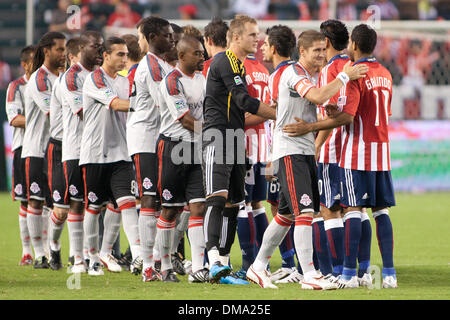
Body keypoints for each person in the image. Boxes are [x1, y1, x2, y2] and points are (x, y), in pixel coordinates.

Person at [246, 29, 368, 289]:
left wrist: (325, 108)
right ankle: (310, 275)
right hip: (290, 150)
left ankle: (257, 266)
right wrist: (346, 76)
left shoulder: (309, 75)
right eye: (317, 51)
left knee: (287, 215)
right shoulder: (294, 73)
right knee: (305, 212)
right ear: (302, 52)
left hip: (302, 150)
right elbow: (316, 96)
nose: (322, 54)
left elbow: (313, 102)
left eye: (324, 49)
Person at [282, 24, 397, 289]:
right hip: (375, 150)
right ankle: (367, 270)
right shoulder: (379, 71)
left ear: (326, 42)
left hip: (340, 148)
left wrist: (315, 143)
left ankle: (338, 271)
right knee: (366, 210)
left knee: (330, 210)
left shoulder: (338, 71)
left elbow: (341, 114)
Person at [202, 14, 276, 283]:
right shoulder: (224, 60)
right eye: (253, 35)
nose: (258, 39)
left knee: (235, 203)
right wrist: (278, 114)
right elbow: (244, 100)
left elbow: (240, 103)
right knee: (217, 198)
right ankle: (211, 261)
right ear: (236, 37)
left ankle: (222, 266)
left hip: (234, 139)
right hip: (217, 137)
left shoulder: (238, 65)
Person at [80, 36, 140, 276]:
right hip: (95, 153)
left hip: (121, 154)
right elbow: (116, 105)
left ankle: (134, 256)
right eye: (120, 54)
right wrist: (146, 104)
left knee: (125, 204)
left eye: (126, 54)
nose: (124, 58)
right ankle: (92, 256)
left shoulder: (126, 82)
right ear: (105, 56)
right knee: (94, 207)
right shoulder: (95, 79)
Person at [156, 35, 208, 283]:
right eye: (197, 53)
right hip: (173, 148)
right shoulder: (172, 80)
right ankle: (164, 265)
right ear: (182, 56)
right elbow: (186, 120)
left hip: (195, 148)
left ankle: (198, 267)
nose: (202, 57)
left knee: (198, 206)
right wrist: (215, 134)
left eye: (202, 53)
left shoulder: (202, 79)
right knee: (170, 210)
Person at [127, 16, 174, 282]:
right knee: (150, 198)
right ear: (153, 37)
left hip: (161, 138)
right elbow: (165, 101)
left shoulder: (162, 65)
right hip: (146, 139)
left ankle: (162, 260)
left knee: (169, 201)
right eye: (167, 35)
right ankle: (147, 264)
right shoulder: (153, 66)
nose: (172, 39)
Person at [259, 25, 302, 284]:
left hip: (287, 151)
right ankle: (290, 264)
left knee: (294, 208)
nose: (262, 48)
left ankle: (295, 265)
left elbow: (278, 117)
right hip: (291, 150)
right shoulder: (292, 72)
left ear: (274, 48)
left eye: (265, 43)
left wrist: (272, 156)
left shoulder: (281, 75)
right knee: (283, 207)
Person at [22, 32, 66, 269]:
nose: (63, 54)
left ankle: (53, 248)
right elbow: (54, 112)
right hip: (37, 148)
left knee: (58, 205)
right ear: (47, 50)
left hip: (58, 149)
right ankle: (39, 254)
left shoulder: (63, 77)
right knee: (36, 202)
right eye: (59, 49)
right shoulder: (39, 78)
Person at [61, 31, 104, 273]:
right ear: (82, 48)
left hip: (99, 149)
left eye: (101, 47)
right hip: (76, 149)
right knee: (77, 203)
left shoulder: (101, 76)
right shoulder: (72, 77)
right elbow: (83, 112)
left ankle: (94, 255)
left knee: (98, 204)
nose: (99, 51)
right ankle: (78, 259)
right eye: (95, 47)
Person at [46, 37, 83, 271]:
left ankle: (78, 256)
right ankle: (54, 243)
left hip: (84, 147)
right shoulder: (66, 81)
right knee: (61, 209)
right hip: (61, 147)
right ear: (73, 57)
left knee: (82, 204)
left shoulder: (89, 78)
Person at [235, 52, 271, 280]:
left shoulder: (239, 68)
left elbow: (245, 108)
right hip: (263, 145)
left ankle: (249, 263)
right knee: (257, 204)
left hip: (245, 142)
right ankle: (261, 263)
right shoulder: (263, 69)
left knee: (243, 203)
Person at [5, 45, 35, 266]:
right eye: (35, 60)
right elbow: (14, 119)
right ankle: (27, 251)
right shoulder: (16, 87)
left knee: (47, 203)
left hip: (48, 149)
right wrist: (42, 120)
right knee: (26, 201)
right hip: (24, 149)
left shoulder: (53, 82)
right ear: (24, 64)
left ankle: (46, 252)